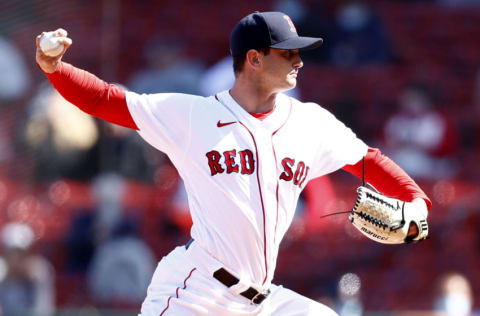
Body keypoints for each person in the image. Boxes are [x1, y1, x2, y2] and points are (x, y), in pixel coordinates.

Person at [35, 11, 431, 316]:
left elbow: (368, 161)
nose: (299, 60)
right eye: (288, 51)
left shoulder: (311, 123)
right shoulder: (193, 116)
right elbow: (107, 100)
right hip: (196, 291)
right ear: (254, 59)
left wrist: (416, 203)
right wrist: (55, 67)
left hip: (264, 300)